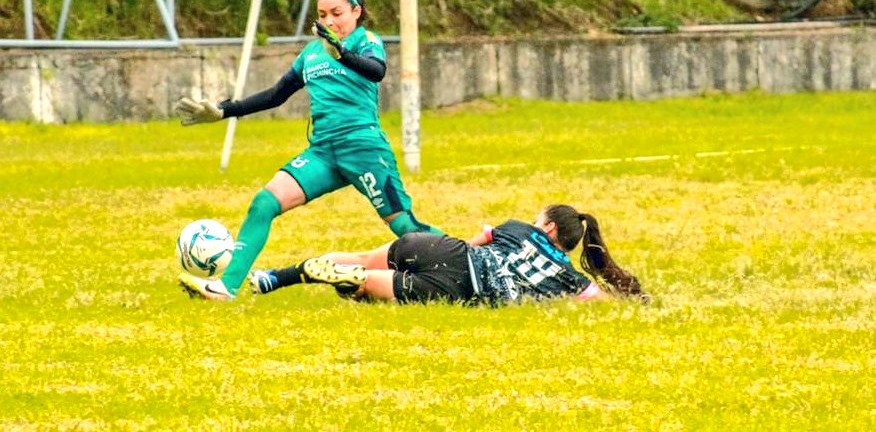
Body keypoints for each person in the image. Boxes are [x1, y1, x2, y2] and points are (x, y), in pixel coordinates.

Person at [176, 0, 442, 301]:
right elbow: (276, 95)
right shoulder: (311, 54)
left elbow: (377, 71)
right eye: (322, 15)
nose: (329, 21)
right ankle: (225, 288)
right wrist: (223, 110)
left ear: (356, 12)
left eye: (337, 14)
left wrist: (341, 52)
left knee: (405, 228)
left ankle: (473, 260)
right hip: (323, 153)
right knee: (264, 203)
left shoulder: (366, 40)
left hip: (362, 149)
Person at [248, 204, 648, 306]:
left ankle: (275, 278)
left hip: (444, 249)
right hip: (460, 287)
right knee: (371, 286)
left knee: (362, 257)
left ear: (548, 228)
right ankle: (352, 285)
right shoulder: (570, 280)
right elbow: (604, 303)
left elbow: (476, 242)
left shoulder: (515, 229)